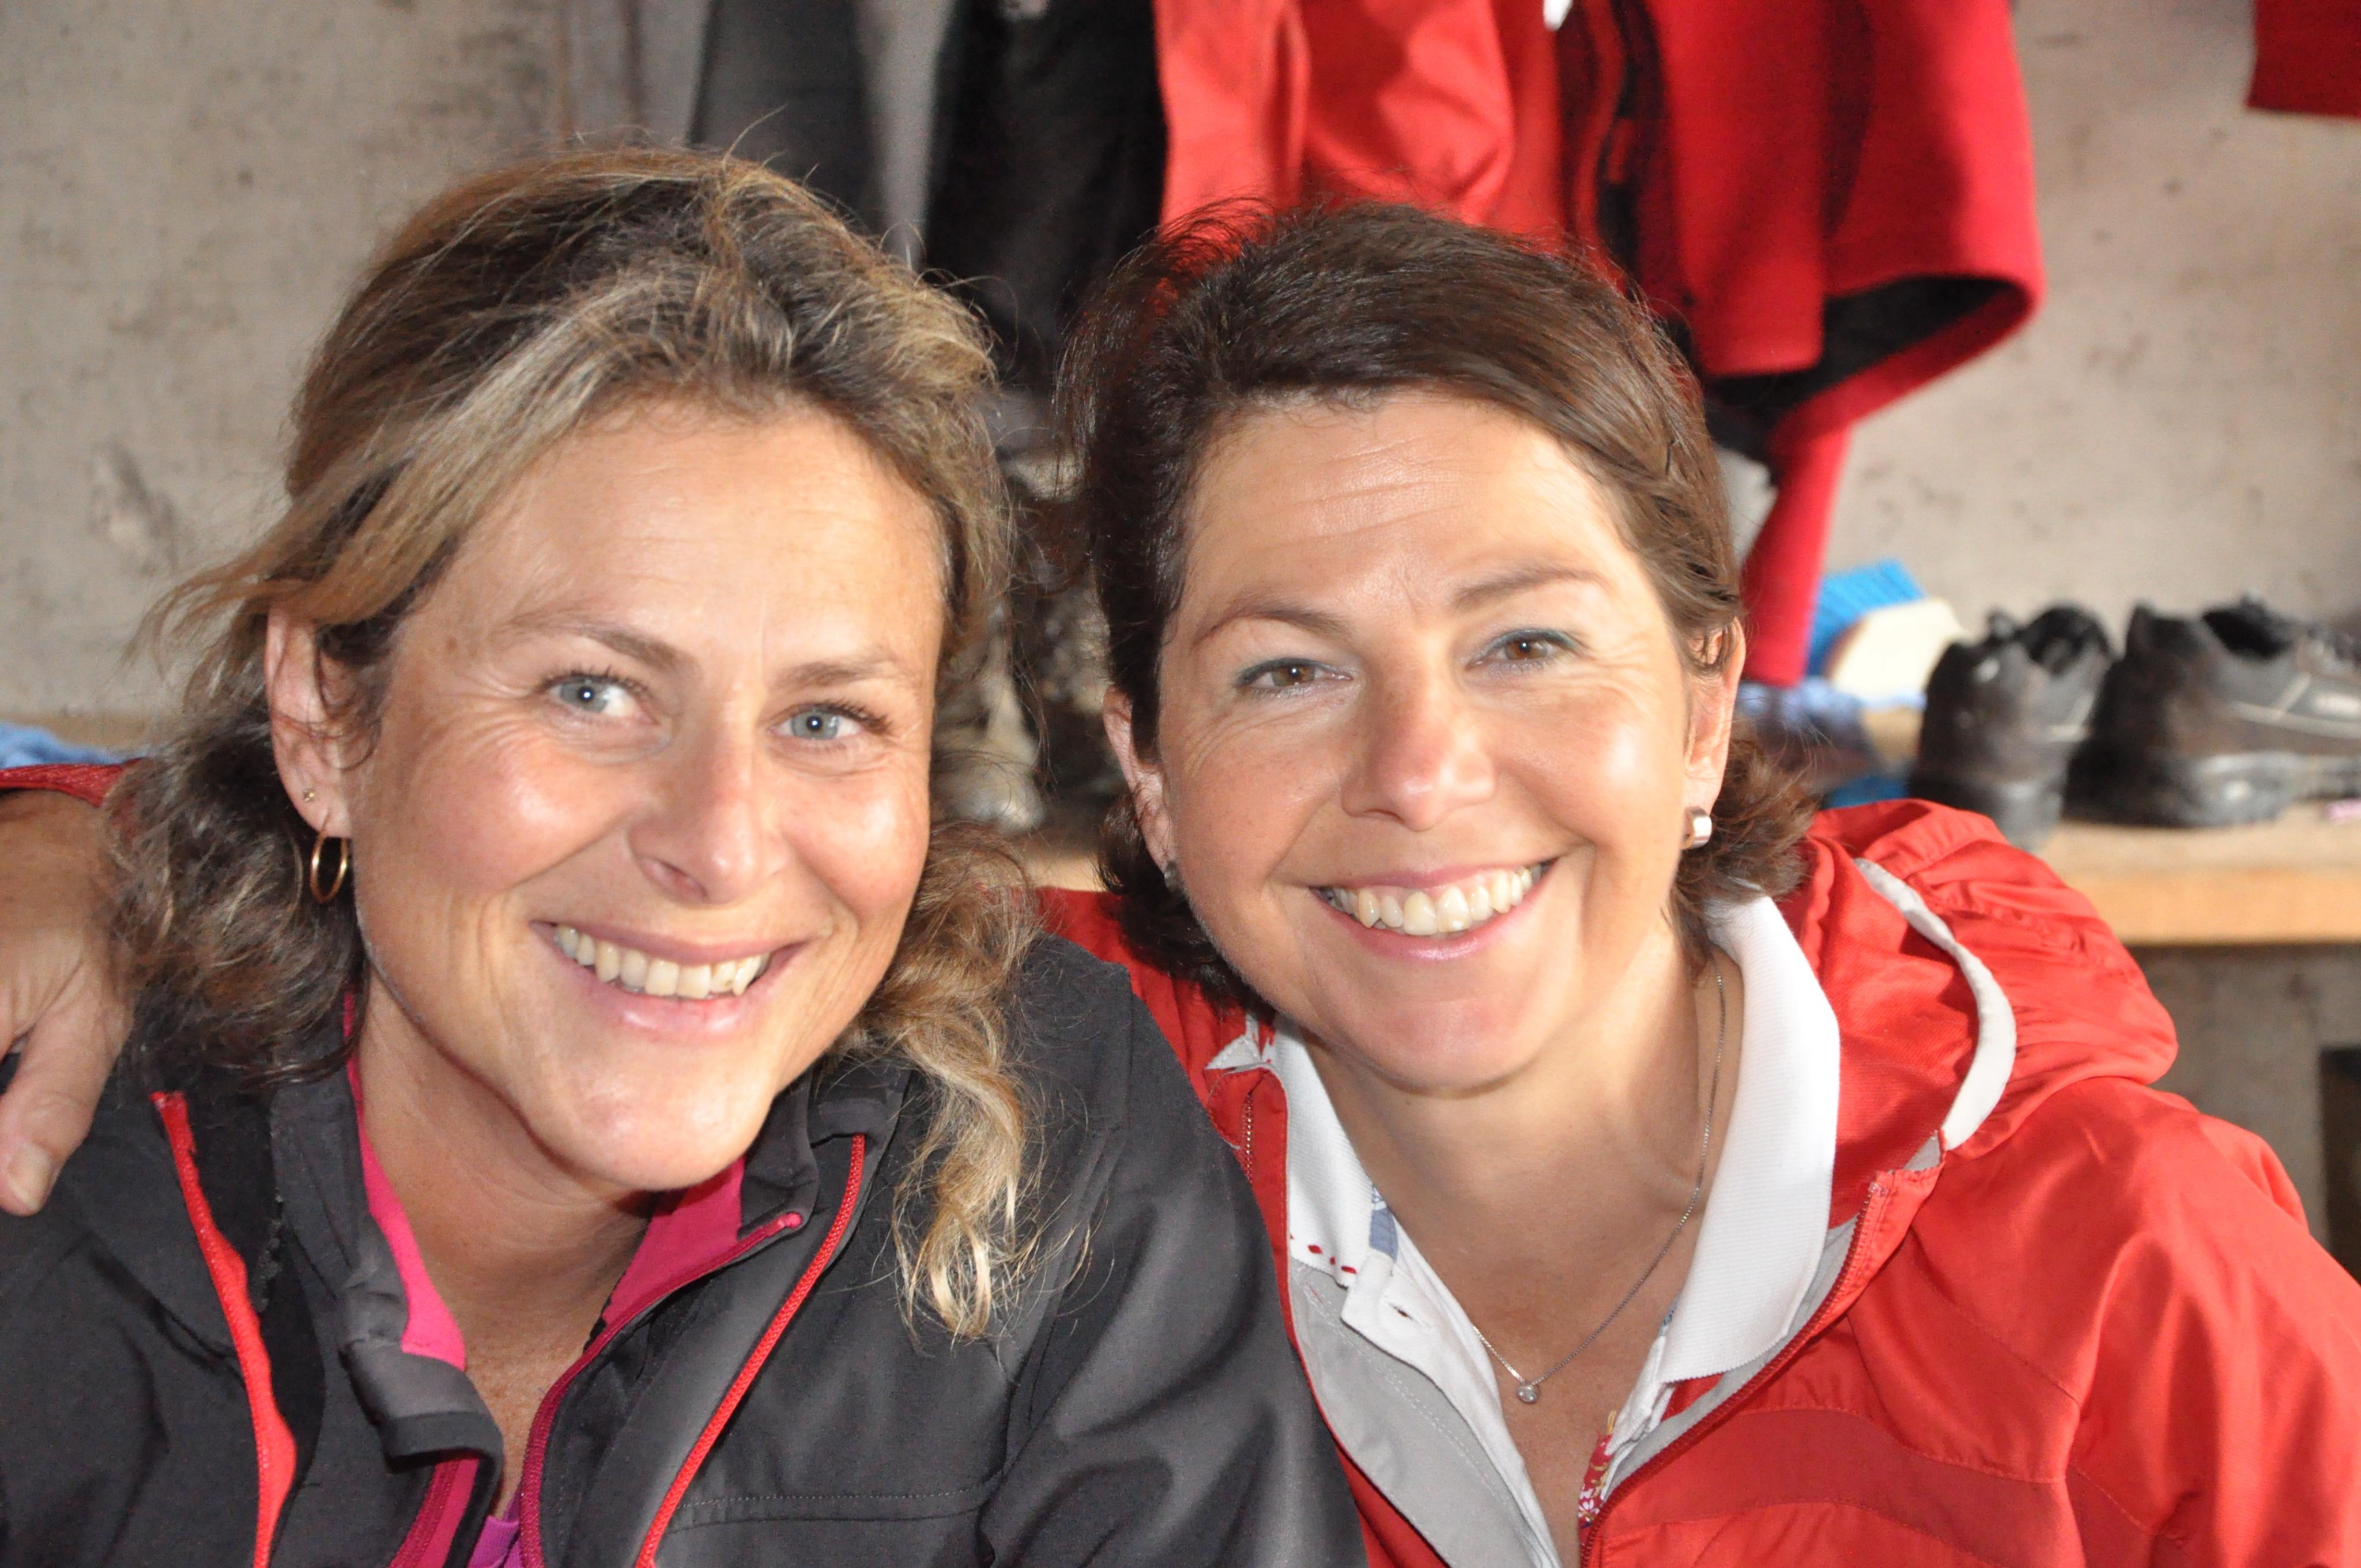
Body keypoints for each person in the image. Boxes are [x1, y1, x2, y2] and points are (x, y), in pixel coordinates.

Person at [9, 203, 2361, 1566]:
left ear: (1705, 702)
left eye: (1527, 641)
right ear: (1136, 769)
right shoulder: (1065, 1112)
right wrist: (79, 840)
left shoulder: (2129, 1268)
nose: (1420, 772)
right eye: (1282, 671)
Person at [0, 152, 1361, 1568]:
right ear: (325, 716)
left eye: (825, 718)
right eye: (592, 692)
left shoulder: (1047, 1144)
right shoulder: (55, 1183)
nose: (719, 842)